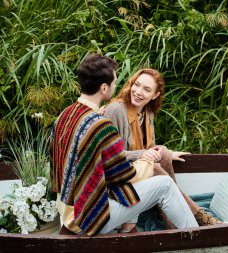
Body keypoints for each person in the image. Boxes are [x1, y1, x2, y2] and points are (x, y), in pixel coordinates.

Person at [50, 54, 198, 236]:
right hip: (89, 217)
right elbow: (121, 176)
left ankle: (132, 226)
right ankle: (199, 238)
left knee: (150, 179)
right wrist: (148, 158)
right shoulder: (100, 126)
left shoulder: (64, 115)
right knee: (165, 184)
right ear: (104, 88)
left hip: (66, 210)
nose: (117, 86)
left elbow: (56, 164)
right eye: (114, 82)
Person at [102, 68, 222, 227]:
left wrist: (167, 153)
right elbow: (108, 154)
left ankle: (167, 213)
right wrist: (142, 154)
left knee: (162, 152)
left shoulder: (147, 113)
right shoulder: (116, 110)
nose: (138, 92)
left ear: (155, 95)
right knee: (156, 169)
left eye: (146, 89)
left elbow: (149, 147)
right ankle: (197, 214)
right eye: (136, 85)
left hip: (137, 166)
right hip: (116, 171)